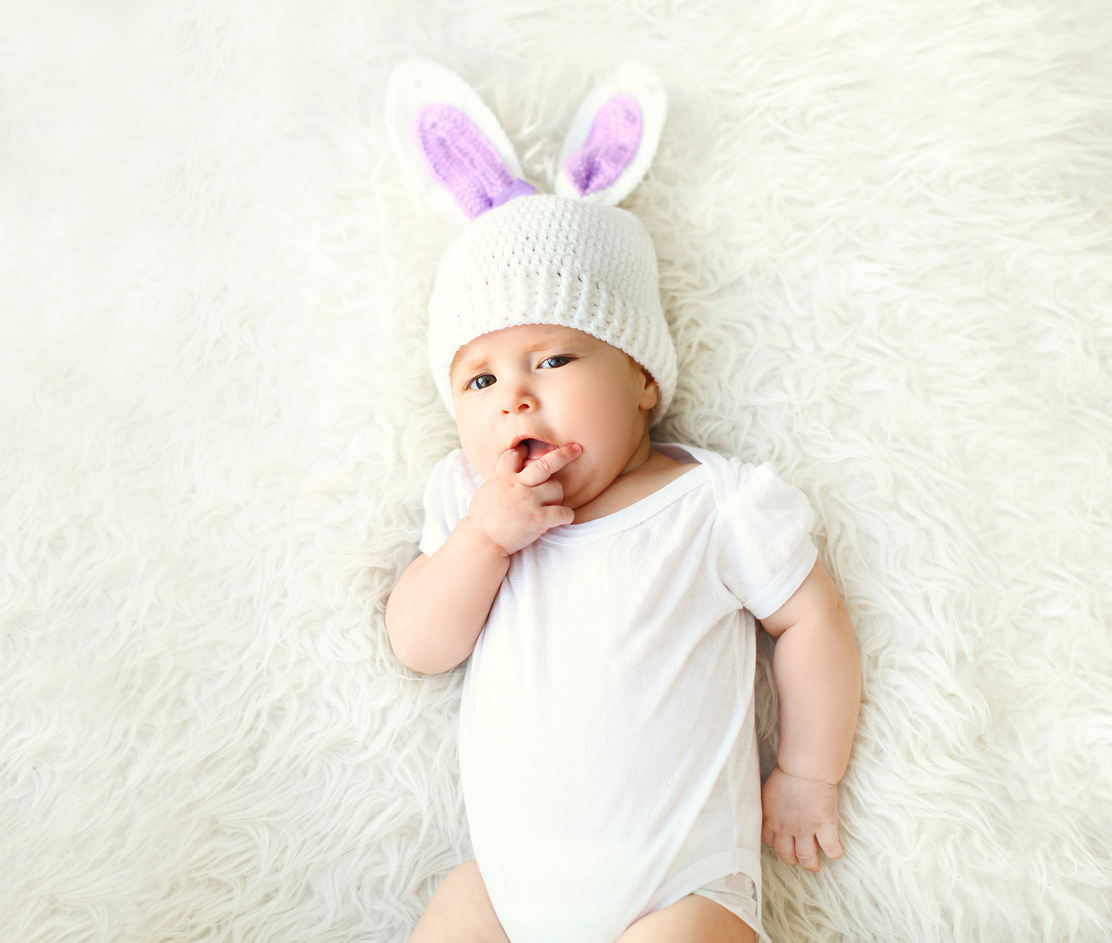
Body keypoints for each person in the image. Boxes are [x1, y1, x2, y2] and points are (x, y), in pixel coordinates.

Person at [383, 59, 860, 943]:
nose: (515, 398)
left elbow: (813, 621)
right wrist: (484, 542)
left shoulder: (711, 502)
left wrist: (806, 774)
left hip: (678, 892)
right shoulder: (469, 506)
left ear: (642, 376)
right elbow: (419, 642)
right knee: (455, 911)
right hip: (510, 891)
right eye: (480, 378)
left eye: (552, 360)